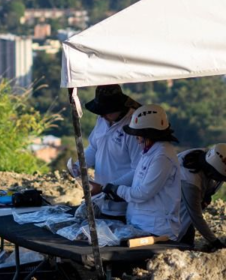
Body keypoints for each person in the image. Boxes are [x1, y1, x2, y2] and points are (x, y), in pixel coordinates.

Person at [90, 105, 181, 240]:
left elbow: (143, 193)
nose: (136, 139)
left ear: (148, 134)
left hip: (156, 229)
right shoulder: (150, 151)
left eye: (138, 135)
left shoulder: (162, 157)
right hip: (141, 225)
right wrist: (109, 188)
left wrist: (116, 189)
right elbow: (136, 177)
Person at [68, 84, 140, 220]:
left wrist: (107, 188)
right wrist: (79, 167)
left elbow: (138, 170)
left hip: (123, 205)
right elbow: (94, 147)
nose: (103, 116)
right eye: (101, 112)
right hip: (100, 200)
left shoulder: (133, 128)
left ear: (120, 107)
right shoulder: (102, 119)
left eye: (108, 111)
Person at [176, 143, 226, 248]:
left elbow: (217, 181)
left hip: (180, 200)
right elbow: (196, 217)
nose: (220, 181)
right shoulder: (191, 182)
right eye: (219, 177)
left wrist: (208, 194)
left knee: (187, 227)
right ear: (212, 172)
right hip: (164, 210)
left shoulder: (209, 156)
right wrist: (215, 242)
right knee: (179, 239)